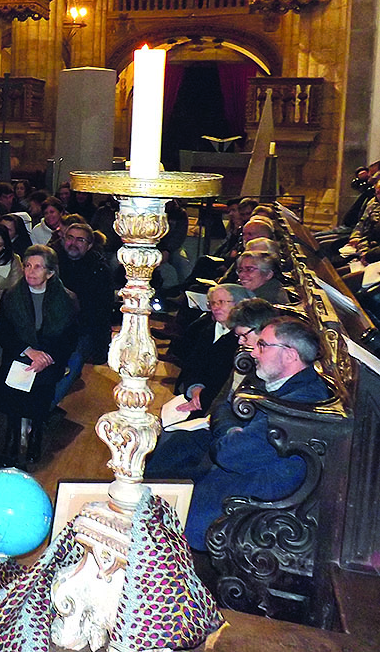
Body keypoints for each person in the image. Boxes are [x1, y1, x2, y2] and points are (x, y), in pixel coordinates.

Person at [146, 317, 329, 551]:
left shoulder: (299, 404)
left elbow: (230, 454)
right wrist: (232, 429)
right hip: (236, 479)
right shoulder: (281, 381)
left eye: (263, 345)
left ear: (291, 355)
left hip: (250, 502)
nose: (253, 352)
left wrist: (229, 428)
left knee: (156, 519)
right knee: (162, 468)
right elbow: (223, 407)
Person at [0, 245, 79, 464]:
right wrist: (29, 351)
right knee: (11, 385)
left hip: (50, 358)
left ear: (50, 273)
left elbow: (69, 339)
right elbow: (5, 334)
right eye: (28, 266)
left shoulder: (67, 299)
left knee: (41, 385)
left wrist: (45, 357)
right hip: (19, 353)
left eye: (38, 267)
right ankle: (12, 433)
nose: (30, 271)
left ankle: (36, 432)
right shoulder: (12, 296)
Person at [50, 222, 115, 408]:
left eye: (80, 240)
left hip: (82, 327)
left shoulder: (99, 270)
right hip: (49, 323)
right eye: (70, 238)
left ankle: (46, 406)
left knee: (74, 358)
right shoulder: (53, 262)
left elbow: (100, 312)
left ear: (89, 245)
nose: (73, 243)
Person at [166, 284, 253, 415]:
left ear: (239, 305)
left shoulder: (243, 340)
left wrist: (201, 397)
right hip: (194, 395)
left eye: (221, 302)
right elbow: (192, 364)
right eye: (212, 303)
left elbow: (225, 383)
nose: (215, 307)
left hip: (217, 405)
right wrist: (195, 388)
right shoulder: (206, 329)